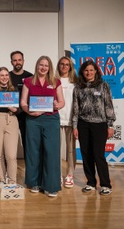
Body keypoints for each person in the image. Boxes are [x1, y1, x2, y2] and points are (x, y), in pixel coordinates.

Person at [20, 55, 65, 197]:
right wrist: (29, 111)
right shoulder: (28, 81)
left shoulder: (55, 81)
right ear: (37, 66)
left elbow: (62, 102)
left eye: (46, 65)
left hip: (51, 119)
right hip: (33, 120)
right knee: (33, 151)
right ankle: (34, 183)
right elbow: (23, 102)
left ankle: (51, 186)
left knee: (51, 152)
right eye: (41, 65)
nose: (43, 68)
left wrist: (58, 105)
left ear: (49, 67)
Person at [72, 60, 116, 196]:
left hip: (100, 125)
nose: (88, 73)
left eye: (91, 70)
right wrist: (75, 126)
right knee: (86, 155)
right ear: (82, 72)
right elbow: (75, 108)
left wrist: (110, 125)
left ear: (96, 71)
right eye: (86, 70)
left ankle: (105, 184)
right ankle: (91, 182)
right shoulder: (78, 87)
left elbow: (108, 106)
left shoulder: (103, 86)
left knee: (98, 155)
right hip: (83, 124)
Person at [55, 56, 77, 188]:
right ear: (59, 66)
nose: (64, 66)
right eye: (62, 64)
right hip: (56, 118)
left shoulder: (76, 82)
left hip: (71, 118)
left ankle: (70, 174)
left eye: (67, 64)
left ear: (70, 67)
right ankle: (57, 174)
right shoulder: (53, 81)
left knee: (70, 149)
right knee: (56, 149)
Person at [9, 51, 32, 160]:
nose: (17, 62)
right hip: (11, 114)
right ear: (11, 62)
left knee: (27, 142)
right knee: (9, 143)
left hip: (26, 114)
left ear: (23, 61)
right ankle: (9, 170)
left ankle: (30, 169)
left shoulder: (30, 77)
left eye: (19, 60)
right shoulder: (7, 76)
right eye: (15, 60)